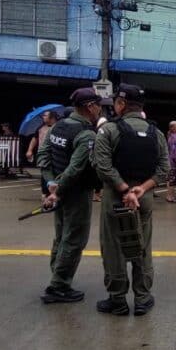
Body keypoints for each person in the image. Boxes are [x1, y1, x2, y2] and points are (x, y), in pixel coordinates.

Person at [92, 84, 169, 317]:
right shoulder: (157, 133)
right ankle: (142, 298)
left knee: (114, 247)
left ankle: (118, 300)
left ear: (121, 104)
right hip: (143, 198)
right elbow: (164, 168)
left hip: (116, 198)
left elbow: (102, 166)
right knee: (142, 245)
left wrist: (125, 190)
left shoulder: (108, 130)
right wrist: (140, 189)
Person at [36, 88, 102, 304]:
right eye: (98, 105)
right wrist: (58, 190)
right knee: (74, 239)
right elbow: (75, 168)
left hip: (59, 190)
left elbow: (43, 155)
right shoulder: (86, 134)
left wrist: (51, 184)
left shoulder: (58, 126)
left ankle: (57, 275)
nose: (100, 109)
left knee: (61, 236)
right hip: (76, 192)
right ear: (90, 107)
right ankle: (59, 285)